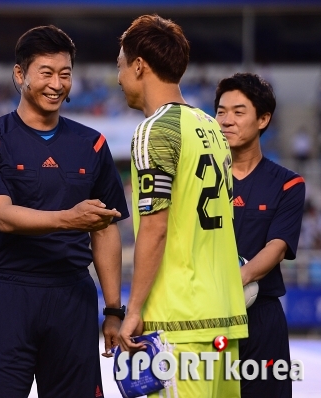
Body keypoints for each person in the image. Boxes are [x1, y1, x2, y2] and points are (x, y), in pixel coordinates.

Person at [0, 25, 129, 398]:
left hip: (72, 295)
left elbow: (105, 230)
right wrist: (70, 219)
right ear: (20, 74)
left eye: (65, 74)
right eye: (46, 73)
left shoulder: (94, 144)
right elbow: (0, 219)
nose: (57, 84)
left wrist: (114, 310)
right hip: (6, 295)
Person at [117, 15, 248, 397]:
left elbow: (155, 228)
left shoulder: (154, 131)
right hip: (224, 318)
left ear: (139, 65)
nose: (120, 77)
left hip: (177, 322)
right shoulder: (211, 127)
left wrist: (135, 309)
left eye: (121, 66)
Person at [215, 73, 305, 398]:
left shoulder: (288, 183)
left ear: (263, 119)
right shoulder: (199, 179)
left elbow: (277, 247)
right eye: (221, 112)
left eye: (238, 112)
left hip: (261, 316)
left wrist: (234, 281)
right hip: (208, 315)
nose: (226, 121)